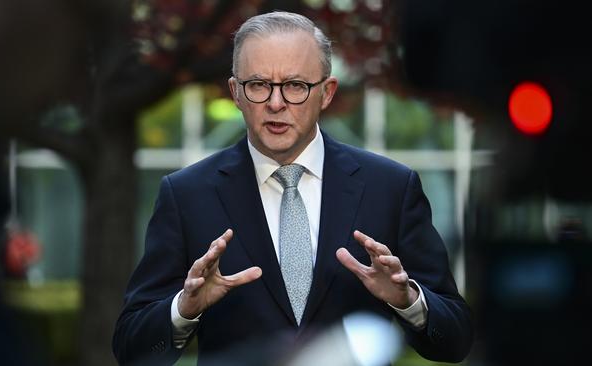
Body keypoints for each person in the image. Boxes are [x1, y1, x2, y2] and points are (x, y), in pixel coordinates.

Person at [113, 11, 473, 365]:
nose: (275, 103)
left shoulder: (390, 187)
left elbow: (455, 341)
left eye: (295, 86)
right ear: (236, 93)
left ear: (327, 93)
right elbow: (132, 348)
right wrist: (183, 309)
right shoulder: (187, 194)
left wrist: (408, 300)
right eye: (258, 85)